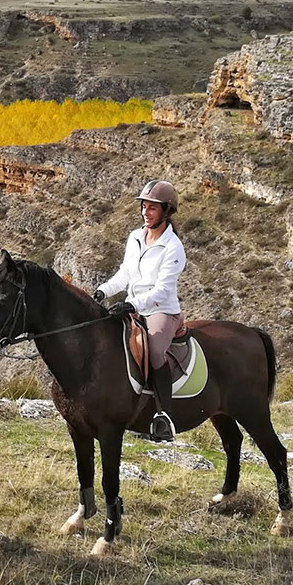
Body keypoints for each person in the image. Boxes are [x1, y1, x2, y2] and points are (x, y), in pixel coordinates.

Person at [93, 180, 186, 441]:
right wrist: (103, 291)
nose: (146, 212)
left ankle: (164, 415)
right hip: (133, 307)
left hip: (161, 311)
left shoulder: (173, 247)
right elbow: (125, 273)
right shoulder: (135, 237)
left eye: (152, 208)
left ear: (166, 211)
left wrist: (132, 304)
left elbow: (162, 291)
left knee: (155, 351)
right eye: (144, 206)